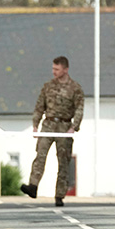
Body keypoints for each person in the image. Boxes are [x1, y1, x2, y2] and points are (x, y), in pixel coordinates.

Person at [20, 56, 84, 207]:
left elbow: (79, 109)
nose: (54, 72)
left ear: (65, 69)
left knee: (63, 161)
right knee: (40, 155)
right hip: (48, 124)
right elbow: (39, 106)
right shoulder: (48, 86)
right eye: (53, 69)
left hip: (64, 126)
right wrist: (35, 125)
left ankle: (59, 195)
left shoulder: (75, 88)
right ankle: (33, 186)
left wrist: (73, 127)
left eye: (57, 69)